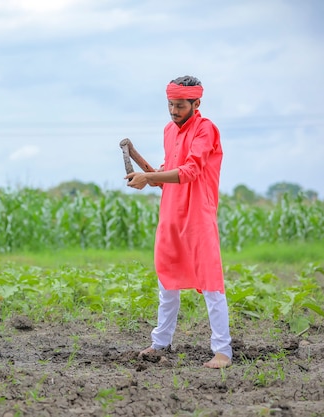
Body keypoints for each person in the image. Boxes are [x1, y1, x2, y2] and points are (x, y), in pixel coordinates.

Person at [125, 75, 232, 369]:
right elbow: (169, 173)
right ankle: (161, 341)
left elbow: (189, 172)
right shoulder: (168, 131)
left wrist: (150, 176)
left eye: (180, 106)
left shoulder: (206, 130)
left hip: (198, 215)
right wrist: (149, 177)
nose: (174, 111)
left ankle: (223, 351)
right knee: (167, 279)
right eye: (170, 105)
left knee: (211, 283)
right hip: (171, 213)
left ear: (196, 103)